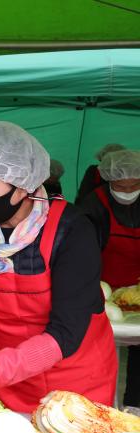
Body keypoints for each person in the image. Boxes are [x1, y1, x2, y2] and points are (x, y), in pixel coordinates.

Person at [0, 121, 117, 413]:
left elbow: (66, 332)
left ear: (21, 188)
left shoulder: (71, 230)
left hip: (74, 386)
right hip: (3, 384)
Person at [81, 149, 140, 409]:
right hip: (101, 288)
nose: (127, 190)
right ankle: (95, 406)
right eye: (120, 185)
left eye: (135, 185)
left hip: (137, 291)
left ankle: (135, 406)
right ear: (108, 180)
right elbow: (80, 248)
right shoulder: (94, 202)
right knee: (96, 350)